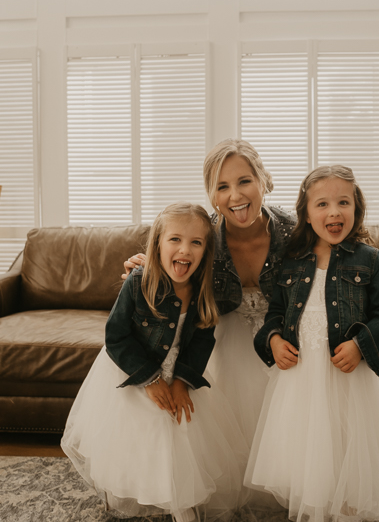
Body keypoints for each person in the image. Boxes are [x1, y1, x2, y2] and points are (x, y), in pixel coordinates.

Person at [247, 165, 379, 522]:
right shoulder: (292, 261)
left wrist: (360, 344)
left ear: (357, 209)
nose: (334, 211)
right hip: (301, 375)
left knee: (350, 439)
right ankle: (315, 500)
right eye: (321, 204)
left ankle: (352, 504)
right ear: (306, 214)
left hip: (349, 375)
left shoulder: (369, 259)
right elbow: (275, 312)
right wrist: (274, 339)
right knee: (308, 442)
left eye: (343, 202)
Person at [63, 202, 247, 522]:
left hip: (177, 372)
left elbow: (203, 339)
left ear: (206, 251)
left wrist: (181, 382)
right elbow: (116, 337)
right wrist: (150, 379)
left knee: (182, 424)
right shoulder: (139, 281)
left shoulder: (205, 291)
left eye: (196, 242)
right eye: (175, 239)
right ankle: (127, 489)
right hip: (132, 370)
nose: (184, 249)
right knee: (144, 426)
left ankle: (180, 498)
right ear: (157, 243)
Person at [122, 139, 297, 446]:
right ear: (213, 196)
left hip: (283, 336)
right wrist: (147, 269)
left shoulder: (294, 231)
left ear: (262, 181)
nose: (235, 195)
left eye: (245, 181)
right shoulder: (204, 236)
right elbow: (176, 267)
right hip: (221, 337)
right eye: (222, 186)